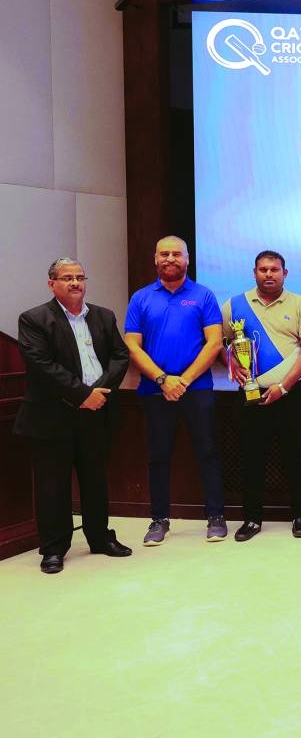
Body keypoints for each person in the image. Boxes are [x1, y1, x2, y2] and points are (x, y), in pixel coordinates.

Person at [14, 258, 133, 574]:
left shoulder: (103, 316)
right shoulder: (34, 319)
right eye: (67, 278)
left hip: (96, 412)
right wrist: (82, 395)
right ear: (51, 283)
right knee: (53, 485)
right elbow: (41, 365)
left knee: (96, 480)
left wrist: (100, 393)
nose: (75, 283)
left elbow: (121, 355)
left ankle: (99, 538)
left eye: (80, 277)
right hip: (52, 416)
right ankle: (53, 549)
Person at [124, 235, 227, 545]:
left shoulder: (203, 295)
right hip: (156, 390)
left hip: (196, 390)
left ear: (187, 259)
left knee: (207, 453)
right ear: (155, 259)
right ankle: (159, 520)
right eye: (164, 254)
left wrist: (182, 381)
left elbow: (214, 343)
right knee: (158, 456)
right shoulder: (141, 298)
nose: (170, 259)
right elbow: (132, 345)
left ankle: (216, 517)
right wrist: (162, 380)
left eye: (176, 254)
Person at [221, 250, 301, 541]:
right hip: (251, 395)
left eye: (274, 269)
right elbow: (222, 343)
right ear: (254, 273)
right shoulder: (234, 305)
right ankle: (252, 519)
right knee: (252, 457)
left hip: (292, 394)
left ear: (285, 274)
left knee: (297, 456)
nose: (269, 274)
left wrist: (284, 386)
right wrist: (232, 360)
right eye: (263, 269)